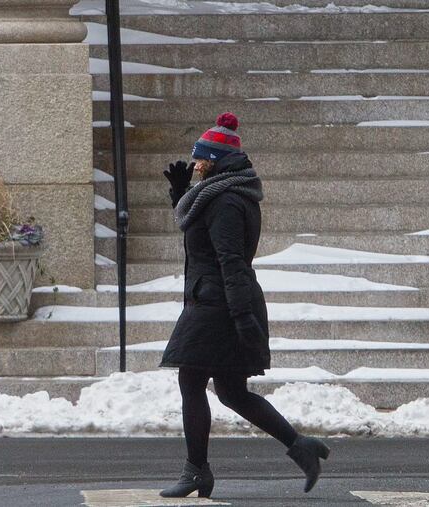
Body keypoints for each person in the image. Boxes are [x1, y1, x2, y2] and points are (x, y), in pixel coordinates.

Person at [157, 112, 331, 499]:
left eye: (201, 158)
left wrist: (242, 317)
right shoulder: (220, 194)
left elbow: (230, 261)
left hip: (218, 303)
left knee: (191, 380)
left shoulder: (227, 202)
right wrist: (181, 193)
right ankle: (301, 446)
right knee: (232, 390)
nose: (196, 163)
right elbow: (204, 240)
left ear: (218, 160)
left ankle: (196, 471)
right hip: (216, 298)